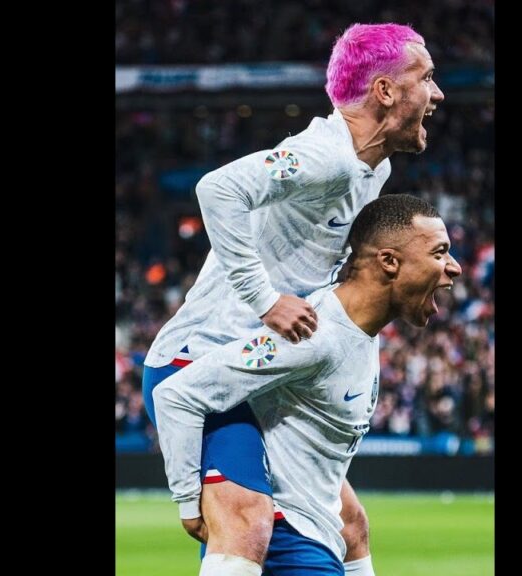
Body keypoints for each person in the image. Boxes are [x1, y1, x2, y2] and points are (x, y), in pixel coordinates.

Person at [140, 22, 445, 576]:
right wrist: (265, 298)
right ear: (384, 90)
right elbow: (218, 189)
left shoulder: (376, 168)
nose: (438, 93)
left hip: (268, 370)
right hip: (204, 362)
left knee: (348, 524)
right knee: (247, 520)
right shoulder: (323, 156)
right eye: (426, 78)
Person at [154, 194, 463, 576]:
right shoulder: (313, 335)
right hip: (285, 545)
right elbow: (177, 393)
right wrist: (189, 502)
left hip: (315, 541)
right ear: (389, 261)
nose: (455, 268)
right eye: (440, 252)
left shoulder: (362, 331)